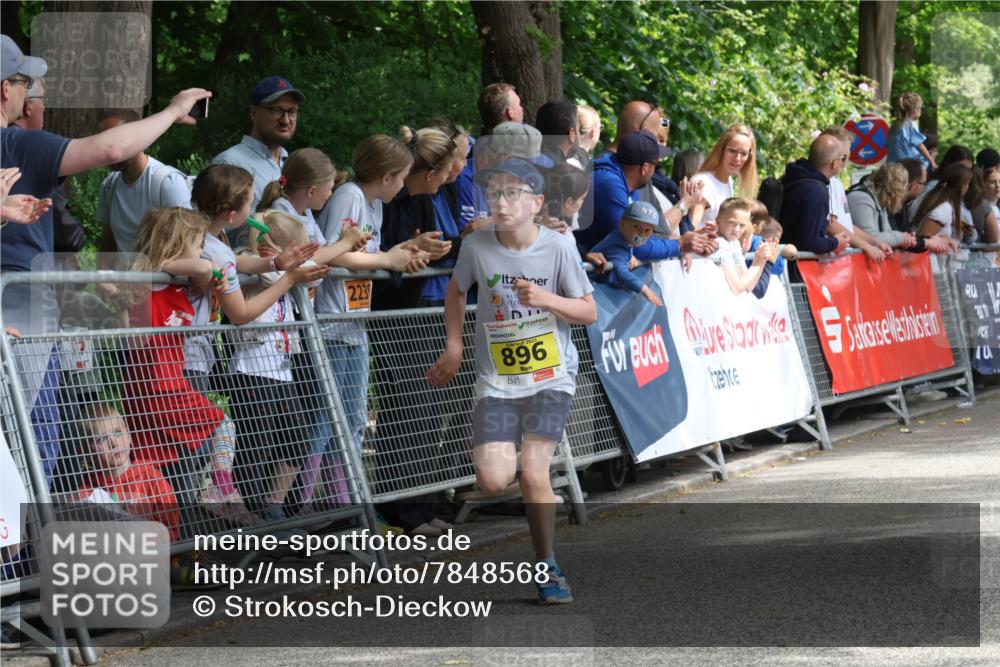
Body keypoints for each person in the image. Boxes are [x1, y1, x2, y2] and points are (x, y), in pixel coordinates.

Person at [1, 33, 211, 487]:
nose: (28, 94)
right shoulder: (20, 145)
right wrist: (172, 112)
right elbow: (111, 148)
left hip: (26, 307)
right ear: (5, 89)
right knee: (31, 439)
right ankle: (24, 533)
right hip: (22, 310)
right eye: (23, 83)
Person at [427, 158, 597, 605]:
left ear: (536, 202)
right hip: (498, 380)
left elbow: (589, 311)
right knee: (492, 478)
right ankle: (536, 490)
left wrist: (546, 298)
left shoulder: (558, 247)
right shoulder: (476, 246)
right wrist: (454, 346)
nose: (500, 203)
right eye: (494, 194)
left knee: (533, 474)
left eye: (512, 193)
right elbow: (456, 291)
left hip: (551, 376)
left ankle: (547, 566)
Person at [229, 209, 360, 522]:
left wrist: (340, 246)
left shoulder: (288, 271)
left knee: (298, 437)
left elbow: (313, 268)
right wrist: (343, 244)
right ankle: (253, 513)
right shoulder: (258, 264)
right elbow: (281, 273)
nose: (304, 259)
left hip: (282, 369)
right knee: (256, 444)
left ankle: (274, 502)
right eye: (299, 250)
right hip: (253, 371)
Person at [123, 208, 244, 533]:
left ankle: (172, 540)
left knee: (159, 470)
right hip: (162, 387)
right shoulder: (153, 280)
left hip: (150, 389)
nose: (202, 252)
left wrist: (211, 275)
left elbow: (203, 273)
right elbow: (204, 267)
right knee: (222, 426)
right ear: (175, 244)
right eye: (197, 244)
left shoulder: (174, 283)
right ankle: (220, 487)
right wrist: (201, 267)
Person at [315, 134, 430, 456]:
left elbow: (370, 254)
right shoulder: (349, 196)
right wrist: (388, 261)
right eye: (403, 178)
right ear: (387, 177)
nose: (404, 185)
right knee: (328, 420)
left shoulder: (375, 204)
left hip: (355, 322)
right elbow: (334, 254)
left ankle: (349, 488)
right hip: (332, 321)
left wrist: (407, 251)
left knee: (354, 417)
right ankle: (310, 488)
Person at [576, 129, 716, 260]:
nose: (655, 171)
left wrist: (693, 240)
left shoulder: (628, 181)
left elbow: (647, 235)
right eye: (656, 165)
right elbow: (635, 243)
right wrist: (680, 245)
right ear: (645, 168)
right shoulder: (608, 184)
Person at [71, 403, 181, 541]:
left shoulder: (151, 478)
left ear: (128, 436)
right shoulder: (87, 492)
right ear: (85, 452)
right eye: (101, 439)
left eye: (117, 432)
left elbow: (171, 529)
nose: (113, 443)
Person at [379, 125, 458, 309]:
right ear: (431, 175)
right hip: (381, 305)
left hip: (409, 301)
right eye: (446, 172)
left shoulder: (424, 201)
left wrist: (425, 251)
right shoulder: (385, 199)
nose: (446, 179)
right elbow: (373, 249)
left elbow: (420, 252)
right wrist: (410, 246)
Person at [96, 109, 193, 256]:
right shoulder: (110, 185)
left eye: (116, 140)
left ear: (138, 138)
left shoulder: (168, 183)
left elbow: (186, 246)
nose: (108, 148)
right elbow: (108, 243)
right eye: (102, 142)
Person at [212, 76, 305, 213]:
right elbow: (216, 223)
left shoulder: (292, 164)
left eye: (292, 112)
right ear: (254, 113)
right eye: (277, 111)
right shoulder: (229, 163)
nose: (286, 120)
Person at [588, 200, 676, 305]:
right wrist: (645, 290)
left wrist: (629, 256)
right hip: (588, 285)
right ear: (622, 224)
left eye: (647, 230)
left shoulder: (624, 239)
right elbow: (622, 273)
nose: (642, 233)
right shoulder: (617, 246)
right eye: (636, 227)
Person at [847, 163, 945, 252]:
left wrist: (905, 238)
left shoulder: (881, 200)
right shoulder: (861, 198)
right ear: (894, 190)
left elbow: (888, 232)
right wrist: (902, 238)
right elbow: (868, 237)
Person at [778, 135, 850, 256]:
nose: (843, 162)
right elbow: (808, 242)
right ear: (834, 163)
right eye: (843, 158)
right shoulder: (815, 192)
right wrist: (835, 242)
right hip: (793, 263)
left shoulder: (792, 178)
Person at [256, 147, 338, 245]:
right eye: (330, 189)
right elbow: (306, 253)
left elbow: (321, 246)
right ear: (312, 191)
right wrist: (346, 243)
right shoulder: (281, 211)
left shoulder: (305, 210)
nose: (331, 194)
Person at [689, 124, 759, 227]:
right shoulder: (703, 183)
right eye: (732, 151)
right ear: (721, 149)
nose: (737, 158)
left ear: (749, 156)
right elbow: (690, 229)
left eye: (743, 153)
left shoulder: (729, 181)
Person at [708, 198, 772, 295]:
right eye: (731, 223)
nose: (736, 229)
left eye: (742, 225)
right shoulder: (720, 244)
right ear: (718, 222)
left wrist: (761, 260)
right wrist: (756, 265)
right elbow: (737, 288)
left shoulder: (734, 243)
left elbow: (748, 287)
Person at [910, 163, 973, 252]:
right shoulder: (944, 208)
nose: (968, 188)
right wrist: (945, 239)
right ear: (960, 186)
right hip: (926, 259)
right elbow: (920, 242)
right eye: (967, 184)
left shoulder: (930, 196)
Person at [887, 92, 936, 170]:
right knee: (930, 156)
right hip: (908, 166)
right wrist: (932, 162)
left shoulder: (894, 125)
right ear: (914, 110)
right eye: (920, 108)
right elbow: (920, 146)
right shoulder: (910, 125)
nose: (920, 111)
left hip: (893, 165)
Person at [535, 100, 582, 167]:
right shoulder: (561, 171)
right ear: (572, 134)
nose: (579, 135)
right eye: (579, 130)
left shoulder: (527, 159)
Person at [893, 158, 928, 231]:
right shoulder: (892, 208)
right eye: (924, 183)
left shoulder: (901, 202)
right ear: (912, 186)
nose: (925, 187)